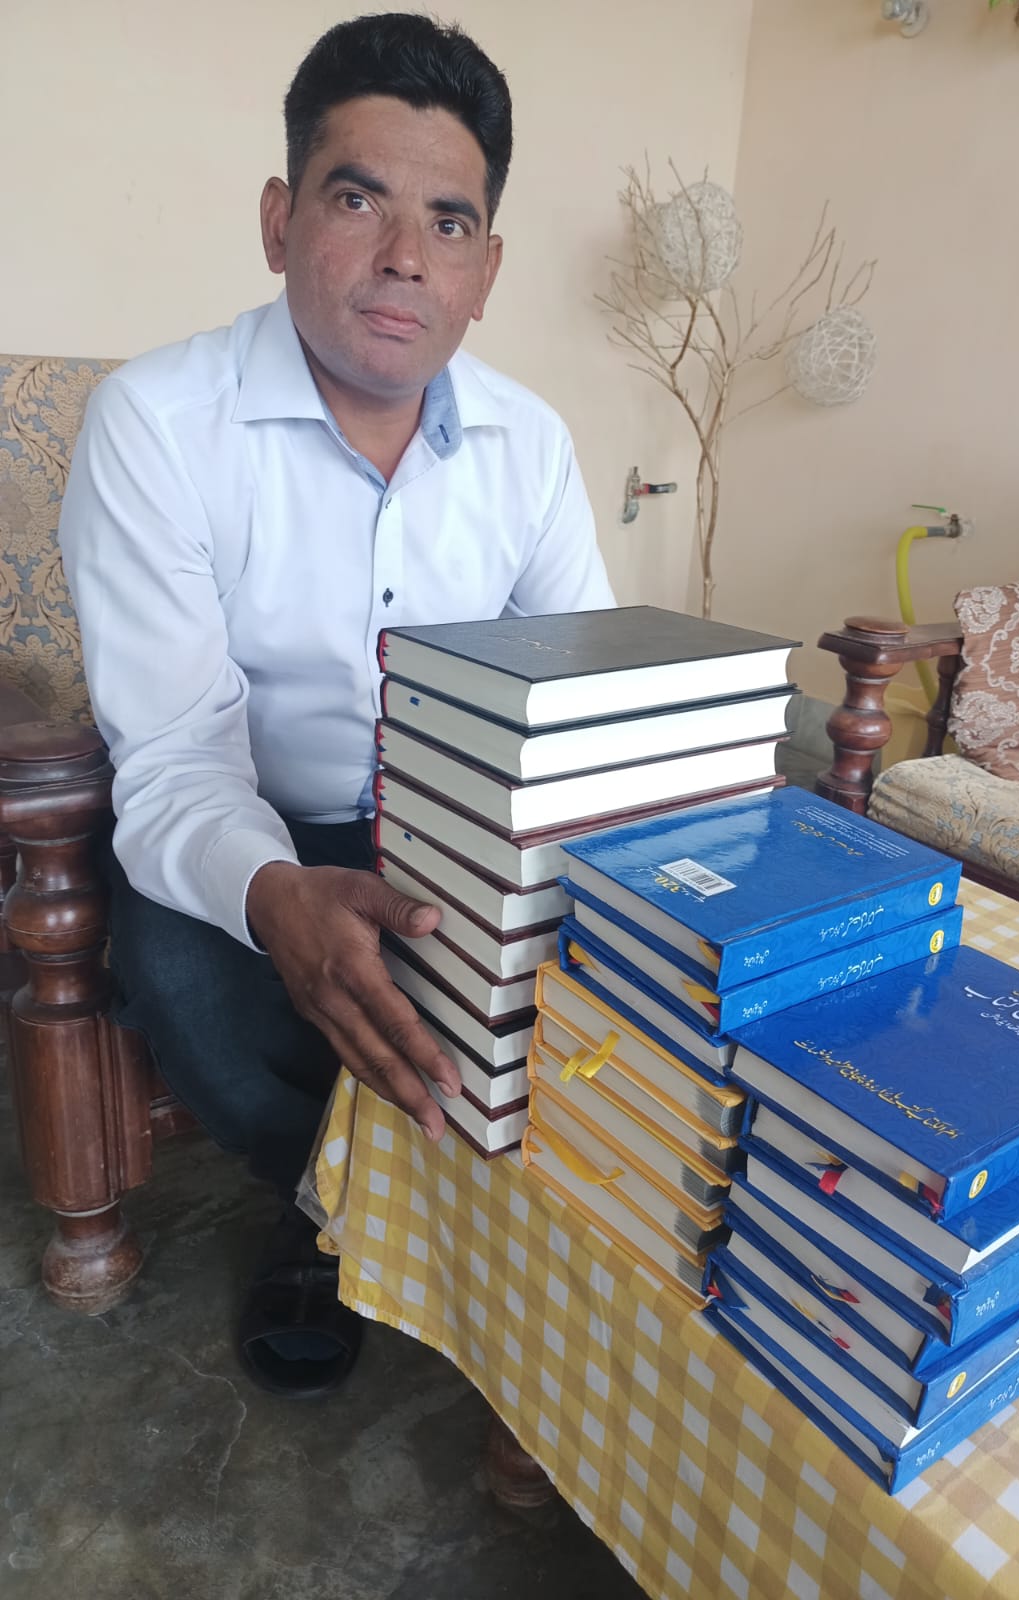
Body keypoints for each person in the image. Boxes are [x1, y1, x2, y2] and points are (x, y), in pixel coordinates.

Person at [58, 12, 614, 1396]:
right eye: (358, 199)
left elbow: (580, 709)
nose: (405, 255)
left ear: (485, 271)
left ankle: (488, 1204)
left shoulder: (533, 445)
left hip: (462, 833)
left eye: (449, 221)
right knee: (179, 960)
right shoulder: (155, 422)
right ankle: (332, 1210)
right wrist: (275, 898)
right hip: (261, 820)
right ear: (279, 219)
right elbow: (176, 753)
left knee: (618, 934)